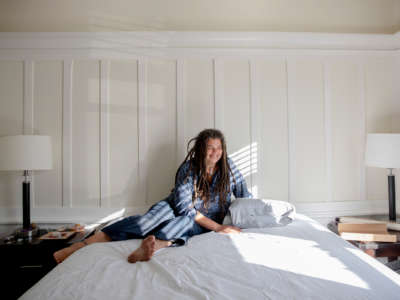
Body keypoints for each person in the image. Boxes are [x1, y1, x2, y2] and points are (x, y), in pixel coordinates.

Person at [53, 129, 252, 264]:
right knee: (146, 221)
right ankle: (82, 244)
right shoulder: (188, 168)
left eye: (219, 148)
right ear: (201, 149)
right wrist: (219, 228)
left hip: (203, 218)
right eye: (210, 147)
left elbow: (245, 197)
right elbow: (184, 207)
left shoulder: (229, 167)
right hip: (175, 206)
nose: (215, 152)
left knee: (183, 225)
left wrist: (256, 218)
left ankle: (151, 246)